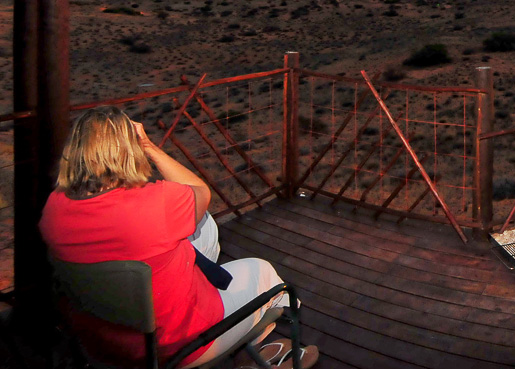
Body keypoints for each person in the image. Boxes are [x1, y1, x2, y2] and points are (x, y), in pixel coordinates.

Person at [39, 106, 317, 368]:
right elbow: (201, 192)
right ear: (127, 150)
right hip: (176, 347)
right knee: (264, 273)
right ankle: (248, 349)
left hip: (101, 342)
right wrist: (150, 148)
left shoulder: (54, 208)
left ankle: (238, 333)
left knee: (204, 230)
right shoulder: (156, 202)